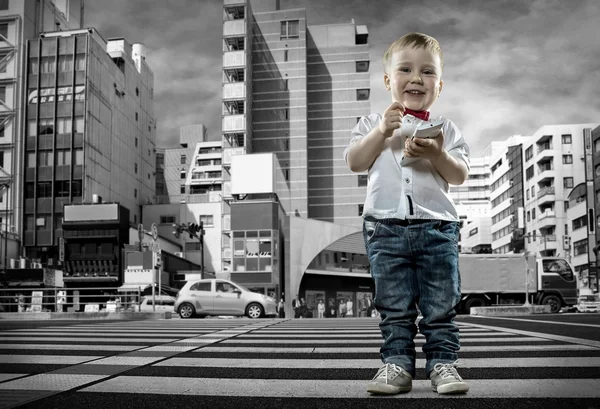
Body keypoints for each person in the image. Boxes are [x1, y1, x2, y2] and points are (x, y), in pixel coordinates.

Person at [344, 32, 470, 396]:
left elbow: (458, 174)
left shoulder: (446, 129)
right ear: (388, 81)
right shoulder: (371, 124)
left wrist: (436, 155)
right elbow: (355, 161)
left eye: (427, 72)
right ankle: (396, 364)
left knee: (440, 304)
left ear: (439, 86)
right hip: (384, 226)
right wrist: (383, 131)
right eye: (406, 69)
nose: (416, 78)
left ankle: (443, 364)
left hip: (438, 226)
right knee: (393, 304)